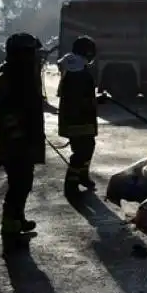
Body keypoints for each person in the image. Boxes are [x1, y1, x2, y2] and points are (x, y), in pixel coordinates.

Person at [0, 32, 45, 248]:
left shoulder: (24, 77)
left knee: (24, 183)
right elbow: (5, 115)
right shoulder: (7, 79)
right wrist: (20, 139)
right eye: (32, 53)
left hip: (25, 143)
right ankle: (9, 227)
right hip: (15, 145)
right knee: (18, 185)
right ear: (21, 54)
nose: (36, 58)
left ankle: (18, 219)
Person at [57, 35, 99, 197]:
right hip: (79, 118)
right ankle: (71, 182)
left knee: (88, 146)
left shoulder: (74, 65)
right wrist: (91, 102)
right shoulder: (78, 69)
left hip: (78, 117)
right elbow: (79, 96)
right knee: (81, 150)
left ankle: (82, 175)